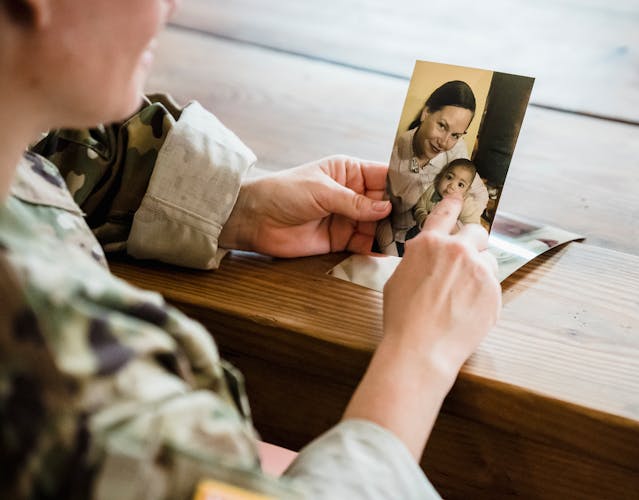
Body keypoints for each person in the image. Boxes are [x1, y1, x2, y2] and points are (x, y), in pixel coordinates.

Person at [0, 1, 501, 499]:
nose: (173, 5)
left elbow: (50, 153)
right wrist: (419, 358)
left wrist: (236, 206)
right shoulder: (61, 381)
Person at [377, 80, 489, 256]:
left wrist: (459, 227)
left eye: (455, 135)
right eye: (442, 126)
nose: (444, 142)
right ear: (426, 112)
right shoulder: (392, 154)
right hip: (393, 242)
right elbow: (379, 217)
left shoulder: (456, 148)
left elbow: (480, 194)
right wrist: (392, 259)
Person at [410, 159, 483, 240]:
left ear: (466, 191)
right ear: (441, 176)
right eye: (449, 177)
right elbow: (419, 206)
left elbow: (474, 226)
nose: (452, 186)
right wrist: (423, 219)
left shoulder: (465, 203)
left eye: (460, 185)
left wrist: (455, 231)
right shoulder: (432, 189)